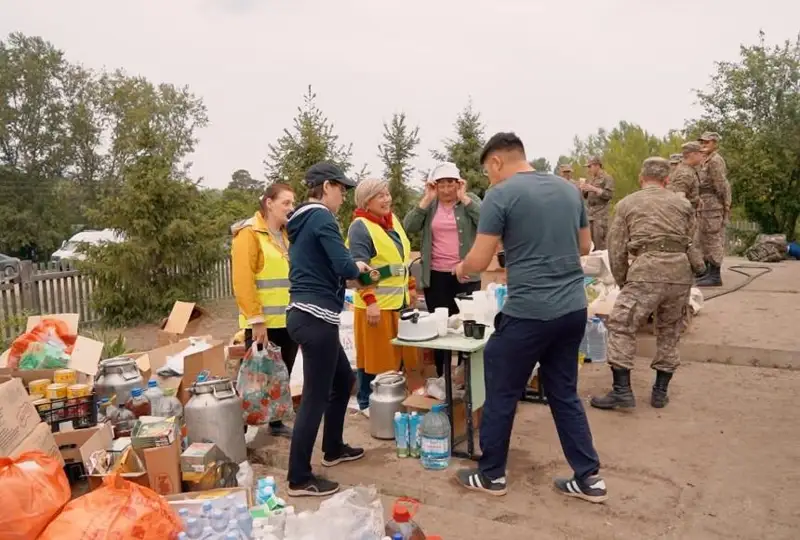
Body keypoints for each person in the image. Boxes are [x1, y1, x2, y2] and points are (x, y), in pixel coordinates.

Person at [452, 132, 606, 504]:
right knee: (564, 393)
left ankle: (491, 475)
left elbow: (479, 257)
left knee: (502, 390)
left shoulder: (500, 195)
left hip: (529, 312)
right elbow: (584, 246)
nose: (489, 179)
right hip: (571, 309)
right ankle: (589, 479)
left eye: (488, 172)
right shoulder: (570, 190)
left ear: (495, 163)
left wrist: (461, 268)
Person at [284, 162, 371, 497]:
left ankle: (333, 448)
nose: (344, 196)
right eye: (342, 189)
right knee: (314, 399)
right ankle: (299, 478)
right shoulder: (321, 216)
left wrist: (349, 269)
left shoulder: (302, 219)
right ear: (327, 186)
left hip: (310, 314)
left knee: (343, 380)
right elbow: (345, 266)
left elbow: (326, 264)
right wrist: (359, 268)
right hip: (315, 316)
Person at [590, 157, 705, 411]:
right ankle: (660, 392)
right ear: (667, 180)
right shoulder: (683, 205)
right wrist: (694, 275)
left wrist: (623, 281)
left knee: (621, 324)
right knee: (670, 330)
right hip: (679, 274)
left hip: (645, 271)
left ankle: (622, 391)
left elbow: (616, 249)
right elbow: (695, 246)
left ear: (641, 179)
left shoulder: (627, 204)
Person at [346, 179, 418, 416]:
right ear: (367, 202)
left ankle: (392, 399)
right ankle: (367, 402)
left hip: (399, 302)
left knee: (395, 357)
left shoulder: (392, 221)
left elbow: (400, 262)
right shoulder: (360, 227)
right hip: (375, 305)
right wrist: (370, 302)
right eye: (380, 196)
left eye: (387, 194)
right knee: (373, 358)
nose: (387, 199)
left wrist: (411, 286)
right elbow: (359, 270)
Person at [231, 183, 297, 438]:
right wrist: (256, 320)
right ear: (269, 203)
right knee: (254, 378)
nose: (290, 208)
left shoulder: (287, 235)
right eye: (286, 203)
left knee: (281, 373)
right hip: (263, 322)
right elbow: (243, 280)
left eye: (292, 203)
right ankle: (240, 430)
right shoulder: (249, 234)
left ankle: (276, 422)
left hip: (288, 318)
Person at [403, 162, 482, 376]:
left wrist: (465, 198)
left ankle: (463, 376)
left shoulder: (470, 201)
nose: (446, 190)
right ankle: (442, 375)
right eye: (441, 185)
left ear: (459, 183)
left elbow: (486, 221)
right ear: (434, 186)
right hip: (436, 276)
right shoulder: (430, 205)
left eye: (451, 184)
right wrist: (426, 199)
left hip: (466, 274)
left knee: (467, 326)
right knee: (439, 326)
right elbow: (409, 226)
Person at [695, 131, 731, 287]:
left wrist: (725, 205)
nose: (703, 145)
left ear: (715, 143)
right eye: (702, 142)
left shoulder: (715, 161)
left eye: (707, 142)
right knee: (705, 239)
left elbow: (721, 185)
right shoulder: (705, 160)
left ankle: (715, 275)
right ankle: (709, 272)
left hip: (713, 206)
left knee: (713, 239)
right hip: (704, 206)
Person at [583, 156, 615, 250]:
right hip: (590, 215)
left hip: (601, 216)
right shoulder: (591, 179)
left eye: (590, 166)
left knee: (600, 244)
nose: (589, 169)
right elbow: (586, 197)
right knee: (591, 245)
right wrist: (583, 189)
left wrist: (594, 189)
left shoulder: (607, 178)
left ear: (597, 165)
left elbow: (609, 195)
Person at [667, 142, 703, 212]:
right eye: (700, 153)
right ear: (693, 154)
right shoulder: (685, 173)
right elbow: (679, 198)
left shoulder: (687, 169)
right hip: (684, 217)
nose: (702, 156)